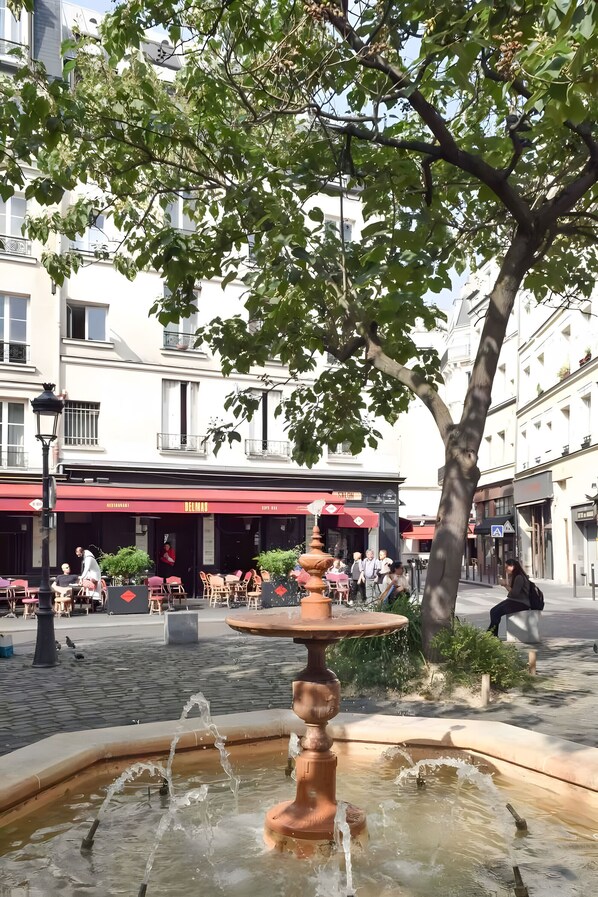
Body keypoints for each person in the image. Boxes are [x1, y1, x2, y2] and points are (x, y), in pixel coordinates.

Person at [487, 558, 531, 637]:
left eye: (507, 567)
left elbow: (514, 593)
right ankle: (492, 634)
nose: (505, 569)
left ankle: (491, 634)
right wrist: (505, 585)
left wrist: (505, 585)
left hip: (520, 603)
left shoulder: (519, 577)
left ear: (512, 566)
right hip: (514, 601)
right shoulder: (515, 576)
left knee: (496, 612)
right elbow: (513, 593)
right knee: (493, 611)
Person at [75, 546, 102, 611]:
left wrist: (82, 577)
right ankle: (91, 604)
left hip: (94, 574)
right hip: (91, 573)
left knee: (94, 590)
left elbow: (86, 569)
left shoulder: (88, 558)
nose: (78, 556)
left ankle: (94, 604)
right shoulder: (86, 555)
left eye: (78, 554)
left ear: (81, 552)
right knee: (90, 590)